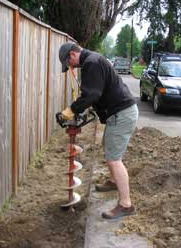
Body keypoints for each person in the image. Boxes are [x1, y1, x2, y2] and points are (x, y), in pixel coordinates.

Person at [59, 42, 138, 219]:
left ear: (72, 54)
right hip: (119, 112)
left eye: (69, 63)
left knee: (114, 159)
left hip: (122, 114)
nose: (71, 67)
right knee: (108, 148)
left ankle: (126, 205)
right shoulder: (93, 59)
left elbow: (92, 94)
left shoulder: (91, 63)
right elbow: (97, 93)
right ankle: (113, 182)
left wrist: (70, 111)